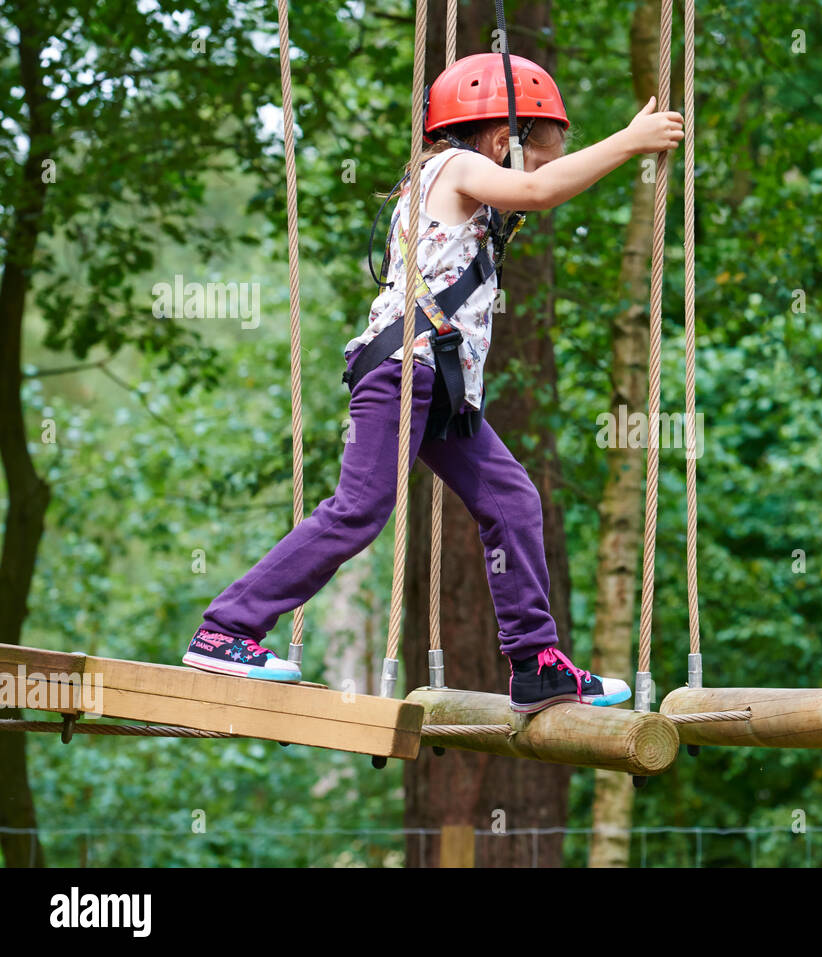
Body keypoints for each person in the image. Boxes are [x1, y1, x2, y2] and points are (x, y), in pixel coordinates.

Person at [183, 53, 684, 713]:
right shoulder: (455, 166)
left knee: (512, 499)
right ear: (503, 141)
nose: (540, 171)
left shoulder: (458, 182)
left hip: (437, 385)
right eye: (537, 155)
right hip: (403, 374)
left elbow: (529, 191)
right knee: (358, 509)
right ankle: (226, 629)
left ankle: (536, 663)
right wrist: (628, 143)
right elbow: (537, 190)